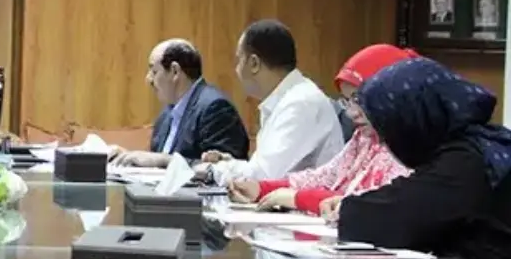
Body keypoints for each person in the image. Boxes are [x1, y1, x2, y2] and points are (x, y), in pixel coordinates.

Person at [337, 57, 511, 259]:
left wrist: (346, 209)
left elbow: (399, 216)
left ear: (413, 116)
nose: (385, 139)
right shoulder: (477, 146)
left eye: (388, 126)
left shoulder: (466, 160)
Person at [228, 44, 414, 217]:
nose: (352, 113)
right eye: (347, 101)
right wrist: (261, 189)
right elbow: (323, 178)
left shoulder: (407, 144)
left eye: (358, 99)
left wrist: (297, 198)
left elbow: (366, 205)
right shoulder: (365, 138)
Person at [204, 19, 344, 183]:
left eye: (239, 60)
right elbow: (264, 169)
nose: (237, 70)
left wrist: (212, 170)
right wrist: (229, 163)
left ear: (254, 63)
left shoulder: (301, 103)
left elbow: (263, 178)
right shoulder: (288, 99)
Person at [111, 38, 249, 167]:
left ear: (175, 71)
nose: (148, 79)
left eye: (154, 71)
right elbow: (155, 163)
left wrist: (163, 160)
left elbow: (223, 169)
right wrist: (128, 157)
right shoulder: (166, 114)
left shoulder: (215, 108)